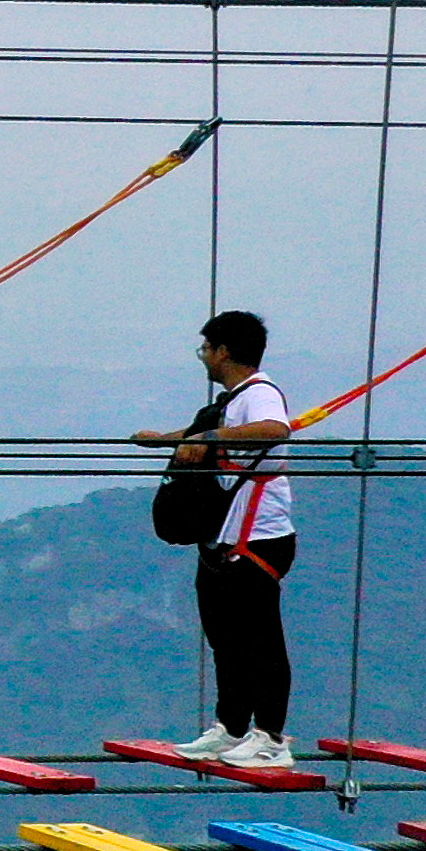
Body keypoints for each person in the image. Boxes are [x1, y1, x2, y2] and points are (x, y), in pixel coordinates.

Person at [137, 309, 301, 765]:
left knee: (260, 639)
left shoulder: (260, 394)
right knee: (226, 638)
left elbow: (274, 430)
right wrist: (170, 439)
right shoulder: (234, 399)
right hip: (223, 537)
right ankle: (231, 729)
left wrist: (206, 436)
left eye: (205, 349)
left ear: (223, 350)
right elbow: (217, 437)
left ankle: (270, 737)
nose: (203, 358)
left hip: (258, 537)